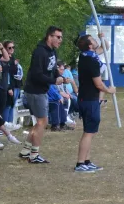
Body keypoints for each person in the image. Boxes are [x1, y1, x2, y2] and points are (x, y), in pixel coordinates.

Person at [19, 26, 64, 164]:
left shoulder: (52, 52)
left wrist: (59, 76)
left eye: (61, 37)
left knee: (40, 121)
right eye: (58, 37)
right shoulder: (39, 52)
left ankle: (26, 151)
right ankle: (34, 155)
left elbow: (52, 69)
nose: (60, 40)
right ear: (49, 36)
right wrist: (53, 80)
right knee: (42, 122)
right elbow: (38, 74)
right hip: (35, 91)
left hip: (41, 90)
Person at [74, 34, 116, 172]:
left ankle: (86, 161)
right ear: (90, 45)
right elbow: (98, 84)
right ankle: (80, 164)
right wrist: (109, 90)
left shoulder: (87, 55)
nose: (96, 40)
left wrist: (102, 37)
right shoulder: (90, 61)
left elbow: (106, 47)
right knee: (88, 132)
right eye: (93, 39)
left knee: (90, 132)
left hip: (87, 99)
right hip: (89, 99)